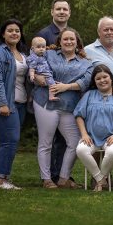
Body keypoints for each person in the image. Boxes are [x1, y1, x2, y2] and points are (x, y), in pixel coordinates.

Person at [32, 27, 93, 189]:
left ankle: (63, 178)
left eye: (72, 39)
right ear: (59, 41)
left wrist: (66, 87)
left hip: (69, 106)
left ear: (77, 42)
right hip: (46, 102)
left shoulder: (86, 63)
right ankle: (46, 179)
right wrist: (42, 80)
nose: (69, 42)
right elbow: (33, 67)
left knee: (75, 142)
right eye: (65, 39)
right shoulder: (48, 54)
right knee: (46, 142)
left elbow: (85, 83)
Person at [0, 19, 28, 190]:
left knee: (0, 140)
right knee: (10, 140)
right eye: (10, 30)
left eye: (17, 30)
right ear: (3, 34)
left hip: (20, 103)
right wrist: (3, 103)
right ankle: (3, 179)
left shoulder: (23, 54)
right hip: (1, 104)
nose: (14, 33)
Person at [74, 64, 113, 191]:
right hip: (91, 137)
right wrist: (84, 134)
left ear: (111, 78)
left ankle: (100, 182)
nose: (102, 80)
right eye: (98, 78)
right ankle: (101, 180)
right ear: (94, 82)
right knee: (80, 150)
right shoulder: (89, 95)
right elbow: (79, 115)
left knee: (112, 152)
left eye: (105, 77)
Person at [36, 0, 72, 183]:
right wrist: (42, 81)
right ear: (52, 12)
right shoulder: (43, 35)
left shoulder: (72, 35)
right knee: (50, 139)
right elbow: (33, 63)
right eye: (58, 9)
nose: (61, 12)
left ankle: (61, 175)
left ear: (69, 13)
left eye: (65, 9)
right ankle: (49, 176)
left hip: (67, 96)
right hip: (47, 96)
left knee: (65, 140)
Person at [85, 16, 113, 90]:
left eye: (112, 29)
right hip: (98, 99)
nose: (109, 32)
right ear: (99, 32)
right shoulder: (87, 51)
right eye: (106, 30)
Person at [27, 36, 58, 101]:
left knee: (43, 85)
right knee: (52, 84)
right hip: (42, 73)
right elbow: (32, 67)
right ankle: (51, 96)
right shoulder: (34, 58)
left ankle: (32, 96)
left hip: (45, 73)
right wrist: (32, 75)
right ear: (33, 48)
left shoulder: (43, 55)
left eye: (43, 47)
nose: (41, 49)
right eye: (38, 47)